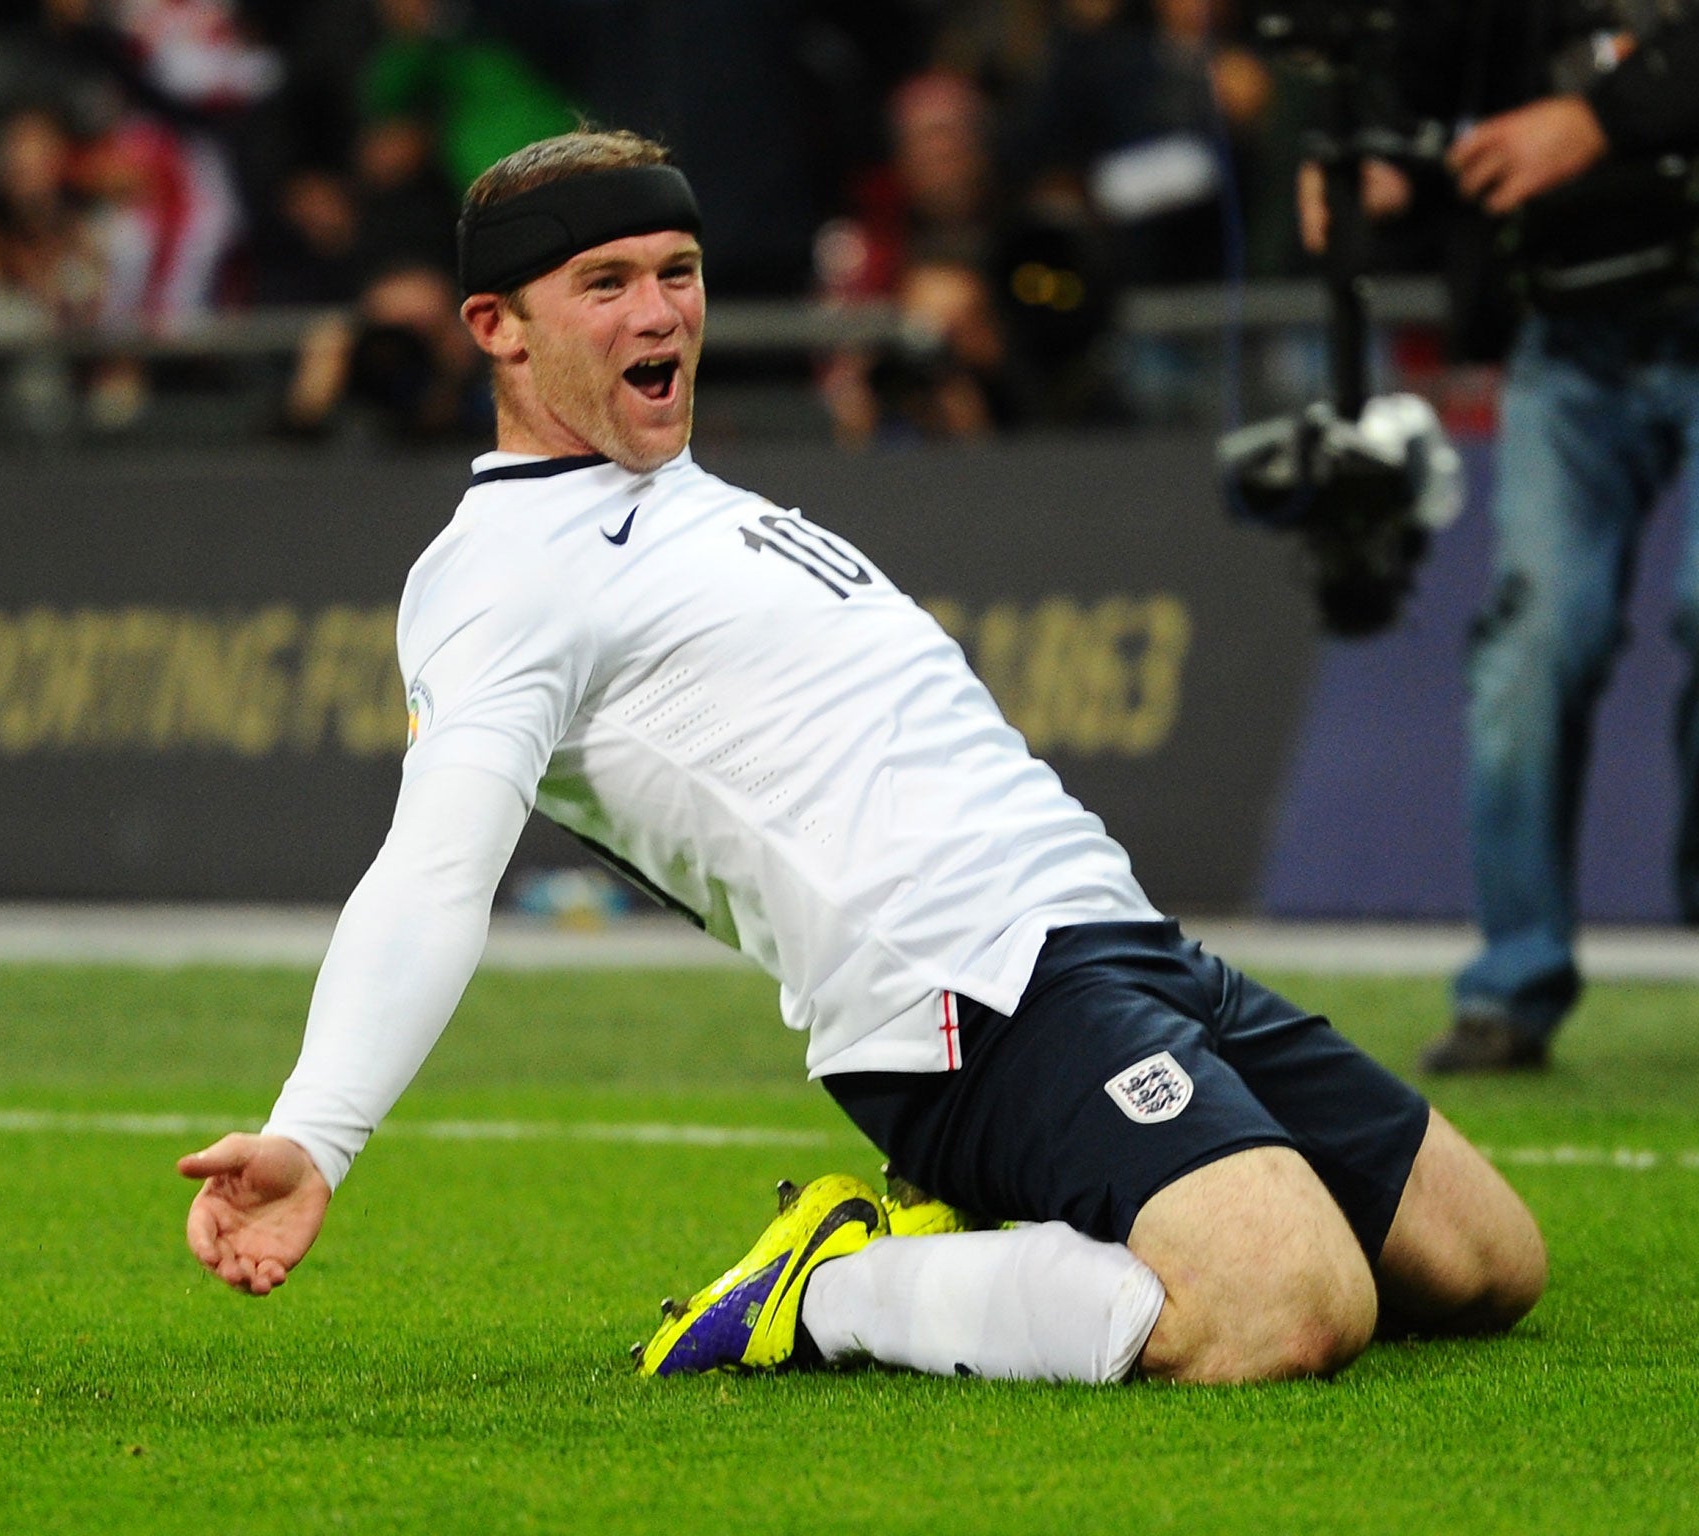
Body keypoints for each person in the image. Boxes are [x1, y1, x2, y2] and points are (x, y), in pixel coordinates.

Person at [179, 128, 1545, 1386]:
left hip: (1117, 942)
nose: (660, 313)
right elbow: (432, 871)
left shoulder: (697, 503)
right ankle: (836, 1289)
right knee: (1284, 1307)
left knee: (1487, 1266)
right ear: (499, 328)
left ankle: (1030, 1233)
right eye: (606, 283)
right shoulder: (498, 574)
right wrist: (318, 1128)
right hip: (961, 1001)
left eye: (679, 272)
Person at [1304, 0, 1699, 1073]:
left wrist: (1603, 118)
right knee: (1532, 643)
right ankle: (1512, 978)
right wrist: (1386, 164)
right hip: (1569, 332)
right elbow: (1435, 77)